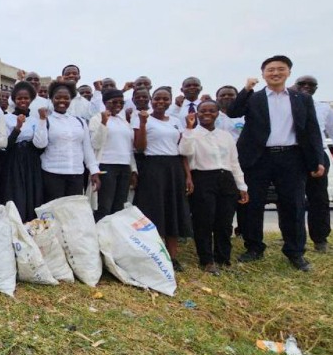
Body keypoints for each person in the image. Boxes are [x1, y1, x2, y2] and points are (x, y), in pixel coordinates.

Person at [228, 57, 324, 271]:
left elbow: (312, 130)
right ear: (263, 74)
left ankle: (295, 251)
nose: (275, 73)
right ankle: (254, 247)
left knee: (294, 205)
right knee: (252, 205)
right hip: (258, 158)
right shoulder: (254, 98)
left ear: (289, 72)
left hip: (292, 158)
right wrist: (246, 89)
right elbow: (233, 112)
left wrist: (317, 159)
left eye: (281, 69)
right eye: (270, 70)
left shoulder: (302, 99)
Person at [179, 101, 249, 275]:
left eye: (211, 110)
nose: (207, 114)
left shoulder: (226, 136)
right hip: (203, 178)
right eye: (203, 111)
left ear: (218, 113)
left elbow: (234, 162)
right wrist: (189, 129)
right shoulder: (192, 134)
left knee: (224, 221)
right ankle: (207, 260)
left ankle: (223, 258)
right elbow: (185, 152)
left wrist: (241, 186)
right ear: (197, 113)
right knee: (204, 221)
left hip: (226, 179)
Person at [292, 75, 333, 253]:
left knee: (319, 199)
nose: (307, 86)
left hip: (316, 155)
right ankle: (293, 239)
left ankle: (320, 240)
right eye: (302, 84)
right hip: (291, 155)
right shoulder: (285, 104)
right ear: (294, 86)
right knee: (291, 199)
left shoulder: (323, 108)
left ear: (316, 88)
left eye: (311, 85)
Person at [133, 86, 192, 271]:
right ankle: (155, 255)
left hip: (174, 168)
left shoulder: (175, 121)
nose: (161, 102)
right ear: (151, 100)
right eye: (157, 98)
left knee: (173, 210)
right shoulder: (143, 119)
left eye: (165, 99)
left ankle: (172, 257)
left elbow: (182, 150)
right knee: (154, 210)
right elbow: (140, 147)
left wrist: (188, 175)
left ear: (170, 101)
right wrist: (143, 124)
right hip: (153, 167)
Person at [40, 81, 101, 202]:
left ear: (71, 99)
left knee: (74, 209)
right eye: (58, 97)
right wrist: (42, 121)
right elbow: (40, 144)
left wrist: (94, 171)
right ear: (51, 99)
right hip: (52, 174)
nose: (62, 101)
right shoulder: (46, 121)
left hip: (76, 174)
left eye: (66, 98)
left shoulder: (79, 121)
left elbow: (87, 148)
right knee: (55, 210)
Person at [0, 81, 46, 221]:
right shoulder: (6, 118)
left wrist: (42, 120)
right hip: (13, 159)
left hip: (31, 160)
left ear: (31, 100)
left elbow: (40, 144)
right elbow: (5, 144)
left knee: (32, 192)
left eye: (26, 98)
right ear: (14, 100)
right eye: (19, 98)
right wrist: (17, 128)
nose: (23, 101)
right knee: (15, 193)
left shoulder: (35, 120)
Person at [90, 88, 137, 220]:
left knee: (120, 205)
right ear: (105, 102)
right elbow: (95, 144)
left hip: (124, 167)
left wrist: (133, 169)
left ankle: (114, 232)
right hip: (106, 166)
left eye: (121, 102)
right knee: (104, 205)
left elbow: (128, 148)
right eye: (114, 102)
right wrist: (103, 123)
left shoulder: (124, 121)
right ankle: (100, 231)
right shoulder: (96, 118)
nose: (118, 105)